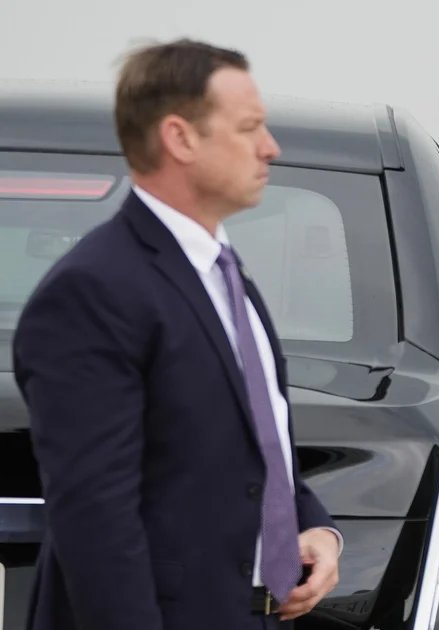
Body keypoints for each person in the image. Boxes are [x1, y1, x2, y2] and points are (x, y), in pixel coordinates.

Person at [14, 39, 341, 630]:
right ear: (180, 138)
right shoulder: (94, 291)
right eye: (249, 127)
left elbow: (256, 448)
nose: (271, 147)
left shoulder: (224, 274)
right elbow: (96, 519)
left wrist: (313, 525)